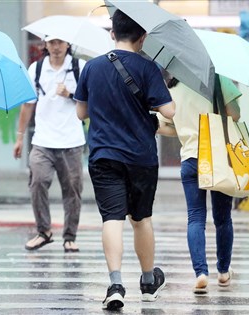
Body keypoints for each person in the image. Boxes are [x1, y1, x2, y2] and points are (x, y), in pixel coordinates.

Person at [74, 10, 175, 310]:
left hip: (104, 154)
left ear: (112, 33)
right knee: (141, 219)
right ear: (143, 37)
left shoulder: (91, 68)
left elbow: (81, 113)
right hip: (141, 157)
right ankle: (147, 280)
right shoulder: (147, 68)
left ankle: (116, 284)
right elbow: (168, 112)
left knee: (112, 219)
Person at [157, 75, 241, 294]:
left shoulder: (173, 87)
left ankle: (200, 273)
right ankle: (223, 271)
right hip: (218, 158)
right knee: (223, 218)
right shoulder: (218, 80)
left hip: (191, 158)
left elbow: (167, 126)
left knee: (195, 217)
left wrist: (187, 128)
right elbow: (235, 114)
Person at [13, 36, 86, 253]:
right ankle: (44, 231)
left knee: (72, 189)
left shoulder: (79, 67)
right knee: (38, 181)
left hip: (71, 141)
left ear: (68, 44)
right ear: (45, 45)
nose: (56, 47)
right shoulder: (36, 68)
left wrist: (70, 94)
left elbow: (90, 100)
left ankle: (70, 236)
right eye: (51, 42)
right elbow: (28, 105)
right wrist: (19, 137)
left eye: (60, 42)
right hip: (43, 140)